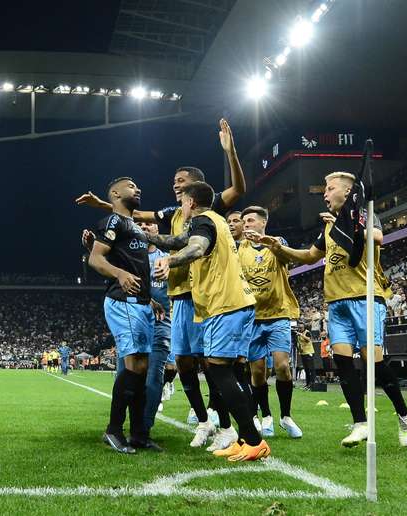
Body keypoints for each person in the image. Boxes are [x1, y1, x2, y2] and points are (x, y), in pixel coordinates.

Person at [76, 119, 247, 449]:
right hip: (166, 299)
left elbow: (237, 189)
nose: (175, 186)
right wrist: (104, 212)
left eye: (181, 182)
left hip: (196, 298)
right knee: (168, 364)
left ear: (197, 188)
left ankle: (216, 425)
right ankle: (187, 422)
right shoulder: (169, 214)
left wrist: (230, 153)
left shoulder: (204, 211)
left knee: (206, 364)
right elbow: (128, 225)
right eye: (173, 182)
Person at [246, 171, 407, 447]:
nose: (324, 193)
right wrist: (277, 247)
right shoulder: (327, 227)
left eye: (330, 188)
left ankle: (404, 414)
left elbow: (377, 238)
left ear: (347, 193)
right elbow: (310, 256)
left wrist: (340, 223)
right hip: (336, 302)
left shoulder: (364, 213)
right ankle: (360, 423)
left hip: (366, 297)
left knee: (373, 364)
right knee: (343, 362)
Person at [152, 181, 269, 461]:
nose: (181, 206)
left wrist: (170, 262)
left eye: (183, 202)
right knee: (226, 371)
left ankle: (254, 441)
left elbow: (195, 248)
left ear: (191, 202)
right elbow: (179, 241)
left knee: (219, 372)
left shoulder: (203, 222)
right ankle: (243, 438)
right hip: (230, 304)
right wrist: (147, 238)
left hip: (225, 304)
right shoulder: (214, 220)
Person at [86, 177, 164, 454]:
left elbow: (135, 267)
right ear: (116, 193)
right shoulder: (113, 222)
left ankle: (139, 435)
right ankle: (114, 430)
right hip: (123, 301)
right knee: (133, 367)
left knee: (140, 370)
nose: (138, 188)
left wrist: (150, 300)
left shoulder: (135, 228)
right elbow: (95, 259)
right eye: (131, 186)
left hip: (141, 303)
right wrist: (119, 274)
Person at [239, 206, 303, 439]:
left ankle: (285, 416)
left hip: (278, 314)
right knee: (257, 373)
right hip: (252, 318)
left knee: (282, 366)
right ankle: (264, 416)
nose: (246, 225)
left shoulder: (277, 242)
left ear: (263, 223)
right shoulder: (240, 248)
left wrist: (268, 242)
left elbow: (287, 258)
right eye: (244, 221)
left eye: (251, 220)